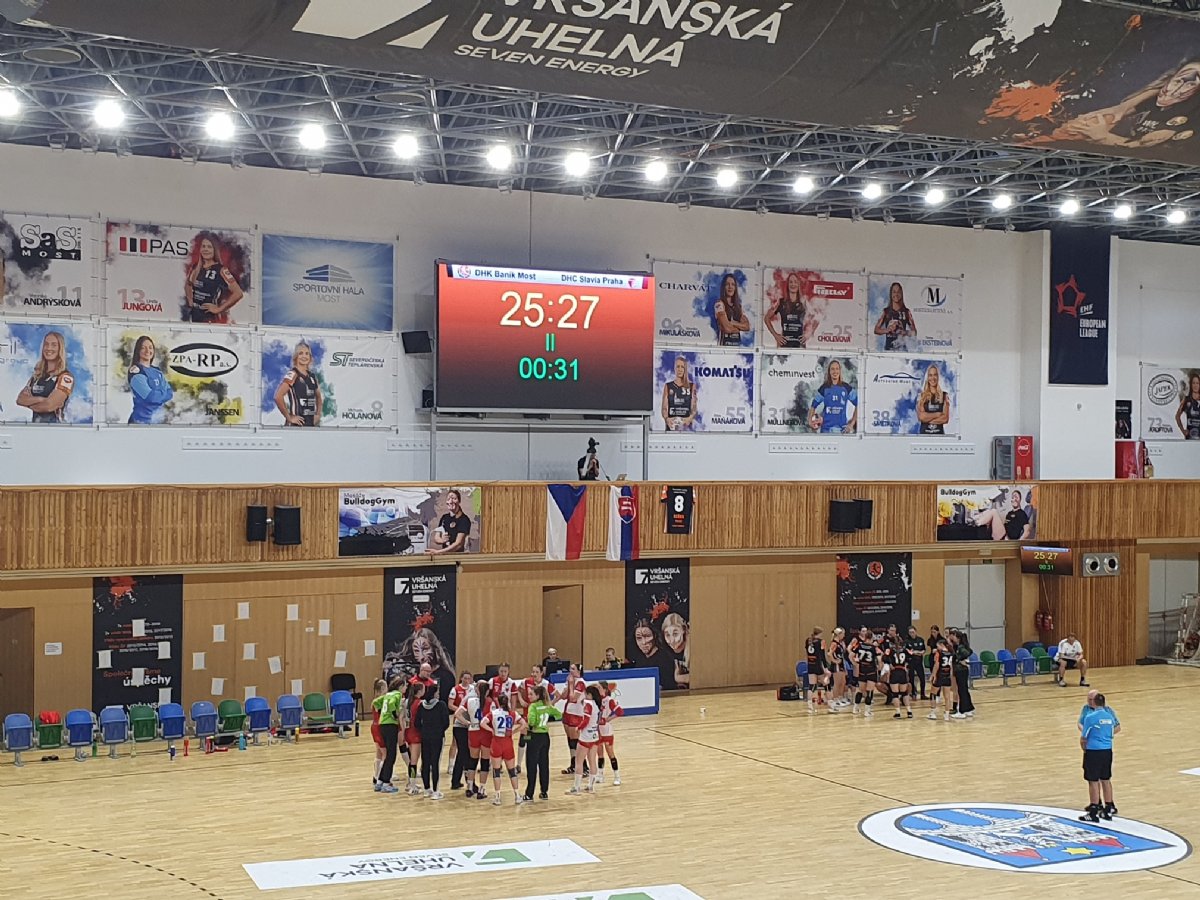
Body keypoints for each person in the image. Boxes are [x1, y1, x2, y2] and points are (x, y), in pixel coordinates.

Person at [1033, 59, 1200, 151]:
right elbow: (1120, 110)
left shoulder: (1190, 117)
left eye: (1190, 84)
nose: (1176, 89)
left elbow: (1143, 147)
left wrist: (1102, 136)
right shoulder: (1154, 96)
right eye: (1177, 80)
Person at [1079, 692, 1120, 822]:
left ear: (1094, 702)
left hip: (1093, 751)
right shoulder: (1110, 716)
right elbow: (1113, 731)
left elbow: (1084, 737)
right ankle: (1108, 809)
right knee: (1106, 779)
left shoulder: (1090, 717)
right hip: (1107, 751)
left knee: (1093, 781)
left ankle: (1093, 811)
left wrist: (1085, 750)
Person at [16, 331, 74, 423]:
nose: (49, 348)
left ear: (60, 349)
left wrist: (29, 403)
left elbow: (49, 406)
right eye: (46, 344)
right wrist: (41, 399)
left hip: (56, 427)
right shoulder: (36, 376)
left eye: (54, 345)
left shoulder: (65, 377)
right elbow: (20, 399)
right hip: (35, 427)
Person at [184, 232, 243, 323]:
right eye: (203, 246)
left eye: (209, 247)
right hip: (194, 315)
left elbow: (238, 293)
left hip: (209, 318)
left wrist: (219, 309)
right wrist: (190, 301)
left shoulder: (221, 270)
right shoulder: (196, 267)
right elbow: (188, 285)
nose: (206, 249)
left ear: (214, 250)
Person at [388, 626, 456, 702]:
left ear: (434, 648)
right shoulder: (411, 674)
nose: (421, 657)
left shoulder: (446, 676)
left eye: (425, 649)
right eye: (416, 651)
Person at [481, 693, 526, 806]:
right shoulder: (513, 713)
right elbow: (523, 724)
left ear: (498, 702)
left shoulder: (493, 713)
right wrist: (514, 731)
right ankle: (517, 796)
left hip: (496, 742)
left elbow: (482, 723)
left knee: (496, 772)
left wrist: (491, 730)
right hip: (508, 743)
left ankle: (497, 797)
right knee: (512, 771)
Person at [524, 684, 561, 801]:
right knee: (544, 764)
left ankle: (529, 794)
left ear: (537, 695)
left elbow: (532, 722)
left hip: (534, 735)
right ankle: (544, 792)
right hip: (545, 737)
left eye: (531, 694)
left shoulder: (533, 706)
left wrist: (528, 729)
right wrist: (547, 720)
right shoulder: (547, 705)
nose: (529, 696)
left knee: (531, 765)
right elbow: (559, 714)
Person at [126, 335, 173, 425]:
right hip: (140, 421)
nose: (148, 351)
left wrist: (158, 394)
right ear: (138, 350)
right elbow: (150, 397)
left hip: (158, 421)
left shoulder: (157, 371)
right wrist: (162, 393)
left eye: (150, 347)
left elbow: (170, 393)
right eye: (143, 348)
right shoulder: (136, 371)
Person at [273, 340, 321, 427]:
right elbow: (278, 397)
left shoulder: (312, 376)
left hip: (310, 425)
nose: (304, 356)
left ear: (310, 357)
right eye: (301, 353)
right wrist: (289, 417)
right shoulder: (293, 374)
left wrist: (318, 415)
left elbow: (318, 397)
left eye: (307, 353)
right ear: (296, 356)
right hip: (295, 426)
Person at [414, 685, 450, 799]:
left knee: (425, 762)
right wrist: (439, 730)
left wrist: (424, 730)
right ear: (435, 693)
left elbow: (416, 723)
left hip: (425, 736)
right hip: (437, 737)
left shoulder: (422, 705)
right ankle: (435, 791)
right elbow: (446, 722)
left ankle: (426, 789)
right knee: (435, 763)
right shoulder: (441, 705)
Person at [566, 685, 603, 796]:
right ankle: (591, 787)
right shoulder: (597, 704)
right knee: (592, 761)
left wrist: (579, 727)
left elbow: (586, 720)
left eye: (586, 694)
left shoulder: (588, 704)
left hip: (586, 736)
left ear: (589, 695)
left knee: (579, 761)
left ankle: (576, 788)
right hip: (594, 735)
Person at [372, 676, 404, 794]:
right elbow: (391, 704)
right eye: (405, 686)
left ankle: (379, 781)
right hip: (390, 725)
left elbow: (375, 702)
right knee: (391, 755)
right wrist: (395, 715)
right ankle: (386, 784)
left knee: (387, 755)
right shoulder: (397, 694)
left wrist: (381, 710)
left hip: (382, 725)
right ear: (401, 687)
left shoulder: (388, 694)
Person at [808, 359, 858, 434]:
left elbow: (858, 404)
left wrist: (852, 424)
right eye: (832, 369)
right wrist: (810, 421)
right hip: (826, 430)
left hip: (842, 431)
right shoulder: (824, 388)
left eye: (837, 369)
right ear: (829, 371)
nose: (835, 371)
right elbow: (813, 405)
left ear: (840, 371)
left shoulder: (846, 388)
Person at [631, 617, 677, 689]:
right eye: (639, 638)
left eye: (647, 636)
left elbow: (669, 687)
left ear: (654, 635)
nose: (644, 642)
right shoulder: (639, 658)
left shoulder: (665, 658)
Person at [465, 678, 492, 800]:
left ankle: (470, 787)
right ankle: (481, 789)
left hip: (473, 732)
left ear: (477, 690)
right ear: (487, 691)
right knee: (485, 762)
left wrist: (467, 722)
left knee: (472, 761)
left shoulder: (470, 701)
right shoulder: (490, 702)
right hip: (485, 733)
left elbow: (458, 713)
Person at [765, 271, 806, 348]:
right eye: (791, 282)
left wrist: (808, 334)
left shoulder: (804, 303)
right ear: (787, 285)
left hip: (800, 346)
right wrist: (776, 335)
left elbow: (816, 317)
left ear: (799, 284)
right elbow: (766, 318)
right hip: (784, 345)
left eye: (795, 282)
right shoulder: (780, 302)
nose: (793, 284)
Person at [561, 663, 588, 775]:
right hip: (567, 712)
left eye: (573, 669)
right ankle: (573, 764)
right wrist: (568, 685)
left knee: (576, 741)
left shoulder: (581, 683)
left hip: (576, 714)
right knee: (570, 740)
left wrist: (571, 684)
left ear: (578, 671)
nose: (570, 670)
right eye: (570, 668)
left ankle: (584, 766)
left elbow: (573, 698)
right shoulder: (570, 681)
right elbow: (564, 696)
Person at [873, 281, 916, 350]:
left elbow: (914, 332)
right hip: (888, 349)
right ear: (891, 294)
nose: (896, 294)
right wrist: (887, 330)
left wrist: (904, 332)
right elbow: (876, 330)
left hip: (902, 349)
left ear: (901, 294)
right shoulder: (886, 312)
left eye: (898, 292)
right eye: (894, 292)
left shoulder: (907, 312)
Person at [448, 670, 473, 788]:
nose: (467, 680)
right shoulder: (456, 689)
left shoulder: (472, 689)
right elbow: (450, 705)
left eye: (469, 678)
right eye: (465, 678)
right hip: (460, 721)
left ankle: (464, 779)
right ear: (461, 678)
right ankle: (451, 765)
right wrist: (461, 709)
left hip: (467, 722)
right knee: (456, 745)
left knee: (465, 752)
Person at [595, 682, 624, 784]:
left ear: (605, 689)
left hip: (606, 730)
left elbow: (620, 712)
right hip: (598, 729)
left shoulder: (609, 700)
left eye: (599, 687)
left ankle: (617, 777)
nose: (597, 689)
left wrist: (608, 719)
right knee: (600, 754)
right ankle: (600, 775)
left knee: (610, 753)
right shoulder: (597, 700)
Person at [428, 489, 471, 555]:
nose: (451, 501)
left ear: (459, 501)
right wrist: (442, 540)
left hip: (458, 557)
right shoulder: (444, 518)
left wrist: (438, 552)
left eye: (454, 499)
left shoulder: (464, 519)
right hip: (445, 555)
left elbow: (458, 544)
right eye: (448, 499)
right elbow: (436, 537)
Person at [661, 355, 697, 431]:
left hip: (686, 428)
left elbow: (694, 408)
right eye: (678, 367)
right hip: (671, 427)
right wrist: (667, 419)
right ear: (674, 368)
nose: (680, 369)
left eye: (682, 367)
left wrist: (689, 418)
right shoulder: (668, 386)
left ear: (685, 369)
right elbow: (664, 408)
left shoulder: (691, 386)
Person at [401, 681, 425, 794]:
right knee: (414, 761)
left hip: (408, 731)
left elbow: (402, 716)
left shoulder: (406, 701)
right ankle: (412, 786)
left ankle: (410, 783)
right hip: (416, 733)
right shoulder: (420, 703)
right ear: (419, 691)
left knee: (412, 760)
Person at [850, 627, 879, 717]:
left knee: (860, 690)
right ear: (872, 638)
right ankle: (867, 711)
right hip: (871, 671)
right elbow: (879, 658)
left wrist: (855, 663)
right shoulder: (873, 647)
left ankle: (855, 708)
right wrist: (879, 667)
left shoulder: (859, 645)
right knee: (869, 690)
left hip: (862, 670)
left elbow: (851, 655)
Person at [714, 272, 749, 346]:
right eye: (727, 284)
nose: (730, 287)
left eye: (733, 284)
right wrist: (739, 328)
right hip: (724, 346)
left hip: (737, 346)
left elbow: (747, 327)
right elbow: (727, 328)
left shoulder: (738, 306)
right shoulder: (719, 304)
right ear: (723, 287)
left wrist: (732, 323)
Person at [917, 364, 951, 435]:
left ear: (938, 377)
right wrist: (938, 414)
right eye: (930, 375)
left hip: (939, 435)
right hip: (924, 435)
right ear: (927, 377)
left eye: (935, 375)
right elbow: (921, 417)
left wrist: (927, 419)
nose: (933, 378)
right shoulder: (922, 396)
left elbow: (945, 419)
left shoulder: (944, 395)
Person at [884, 639, 914, 719]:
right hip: (902, 672)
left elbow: (884, 658)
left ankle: (898, 713)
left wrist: (890, 664)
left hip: (894, 672)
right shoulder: (905, 650)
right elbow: (911, 656)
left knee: (895, 694)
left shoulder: (890, 650)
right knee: (904, 693)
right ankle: (909, 711)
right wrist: (906, 664)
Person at [950, 629, 975, 719]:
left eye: (953, 636)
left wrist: (959, 660)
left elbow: (969, 652)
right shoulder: (957, 646)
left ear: (958, 638)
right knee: (964, 690)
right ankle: (969, 708)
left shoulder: (960, 647)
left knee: (961, 690)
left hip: (961, 670)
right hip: (961, 670)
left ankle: (962, 711)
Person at [661, 612, 690, 689]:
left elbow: (699, 678)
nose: (672, 640)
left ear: (683, 630)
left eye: (675, 634)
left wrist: (678, 678)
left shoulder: (693, 649)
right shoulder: (666, 652)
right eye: (667, 635)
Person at [805, 627, 829, 714]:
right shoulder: (821, 641)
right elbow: (822, 656)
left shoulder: (808, 640)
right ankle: (830, 703)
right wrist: (825, 668)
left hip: (810, 665)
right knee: (826, 684)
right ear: (820, 633)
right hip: (818, 666)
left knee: (812, 686)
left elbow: (807, 653)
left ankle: (810, 706)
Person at [369, 677, 387, 789]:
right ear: (382, 689)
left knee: (378, 753)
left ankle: (376, 776)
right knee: (385, 753)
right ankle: (382, 777)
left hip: (374, 726)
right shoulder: (381, 700)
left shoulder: (375, 700)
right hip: (380, 727)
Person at [928, 637, 953, 720]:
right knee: (947, 696)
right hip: (947, 675)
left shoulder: (939, 653)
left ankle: (933, 713)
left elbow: (936, 665)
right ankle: (947, 714)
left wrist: (933, 675)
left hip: (939, 675)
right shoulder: (951, 653)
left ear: (941, 645)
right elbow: (951, 666)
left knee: (933, 693)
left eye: (938, 646)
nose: (937, 647)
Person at [828, 627, 850, 709]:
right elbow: (829, 653)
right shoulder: (834, 643)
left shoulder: (840, 643)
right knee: (837, 683)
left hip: (842, 664)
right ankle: (835, 699)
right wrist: (835, 661)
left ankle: (840, 698)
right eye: (843, 634)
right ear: (839, 634)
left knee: (843, 682)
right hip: (836, 665)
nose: (844, 635)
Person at [904, 626, 927, 700]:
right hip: (911, 661)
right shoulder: (907, 641)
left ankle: (923, 694)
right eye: (910, 632)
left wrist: (919, 652)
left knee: (922, 678)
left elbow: (923, 649)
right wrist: (916, 652)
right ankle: (913, 693)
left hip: (919, 662)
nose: (912, 634)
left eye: (913, 632)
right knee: (911, 678)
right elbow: (909, 651)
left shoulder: (920, 639)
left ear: (916, 631)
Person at [1176, 373, 1200, 440]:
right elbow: (1177, 416)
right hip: (1190, 437)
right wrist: (1183, 431)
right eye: (1193, 383)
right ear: (1191, 385)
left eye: (1197, 383)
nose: (1195, 385)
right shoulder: (1186, 400)